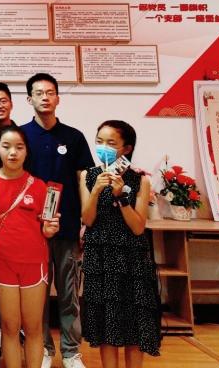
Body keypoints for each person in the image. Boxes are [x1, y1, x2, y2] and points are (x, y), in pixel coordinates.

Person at [20, 73, 94, 368]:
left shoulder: (73, 137)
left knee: (69, 293)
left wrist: (85, 221)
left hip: (67, 226)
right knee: (37, 294)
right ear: (29, 99)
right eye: (39, 93)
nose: (45, 97)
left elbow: (84, 179)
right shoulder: (21, 136)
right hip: (31, 229)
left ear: (58, 98)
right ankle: (43, 349)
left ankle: (71, 352)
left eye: (50, 92)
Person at [80, 121, 161, 366]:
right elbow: (87, 219)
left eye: (111, 143)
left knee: (134, 321)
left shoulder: (140, 180)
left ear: (126, 148)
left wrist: (122, 197)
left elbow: (138, 227)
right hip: (99, 257)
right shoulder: (88, 175)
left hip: (131, 258)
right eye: (99, 141)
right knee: (106, 322)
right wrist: (96, 191)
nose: (103, 147)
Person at [0, 127, 60, 368]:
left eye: (19, 147)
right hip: (1, 263)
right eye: (6, 146)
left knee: (33, 328)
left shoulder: (40, 186)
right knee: (9, 327)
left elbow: (47, 228)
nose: (12, 152)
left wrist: (50, 230)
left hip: (35, 264)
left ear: (26, 151)